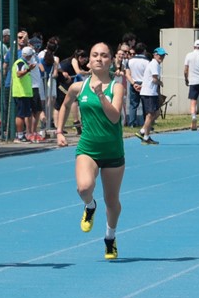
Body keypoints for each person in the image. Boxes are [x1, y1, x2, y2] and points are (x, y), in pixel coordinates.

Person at [55, 42, 126, 260]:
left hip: (113, 151)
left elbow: (114, 117)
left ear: (110, 60)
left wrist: (101, 96)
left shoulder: (117, 87)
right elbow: (65, 105)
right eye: (95, 55)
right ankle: (90, 205)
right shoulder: (78, 87)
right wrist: (59, 131)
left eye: (104, 55)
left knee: (112, 201)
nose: (98, 59)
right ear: (89, 60)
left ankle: (110, 238)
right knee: (84, 187)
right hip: (88, 148)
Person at [137, 46, 165, 143]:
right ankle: (146, 137)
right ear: (155, 55)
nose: (161, 57)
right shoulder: (154, 64)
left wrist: (158, 94)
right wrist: (160, 83)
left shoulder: (156, 64)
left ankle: (142, 131)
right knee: (150, 115)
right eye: (160, 55)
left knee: (156, 113)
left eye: (163, 55)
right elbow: (154, 79)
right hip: (149, 93)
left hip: (151, 92)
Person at [10, 45, 35, 142]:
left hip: (24, 93)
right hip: (21, 93)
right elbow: (18, 74)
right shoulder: (20, 63)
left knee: (23, 114)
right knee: (20, 115)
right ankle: (19, 136)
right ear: (29, 55)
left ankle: (21, 134)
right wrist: (28, 70)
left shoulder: (24, 63)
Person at [125, 42, 148, 128]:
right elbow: (148, 75)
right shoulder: (147, 61)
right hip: (144, 84)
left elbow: (127, 74)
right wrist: (142, 85)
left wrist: (133, 84)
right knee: (146, 105)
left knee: (133, 104)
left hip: (133, 83)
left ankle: (132, 123)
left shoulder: (130, 61)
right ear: (144, 51)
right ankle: (147, 123)